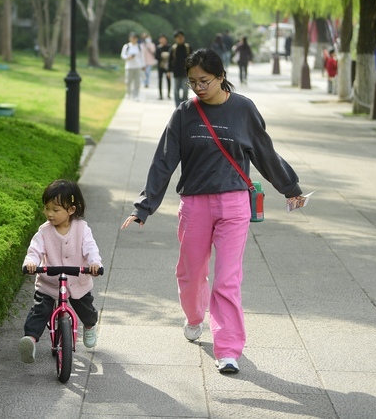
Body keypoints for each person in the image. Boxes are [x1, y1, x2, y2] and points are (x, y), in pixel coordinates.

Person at [120, 49, 305, 375]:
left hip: (234, 204)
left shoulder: (243, 109)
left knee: (227, 279)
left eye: (204, 80)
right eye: (192, 81)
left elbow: (264, 152)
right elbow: (164, 161)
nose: (198, 87)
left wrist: (290, 188)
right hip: (195, 205)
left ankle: (229, 349)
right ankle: (194, 317)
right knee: (190, 274)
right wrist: (144, 206)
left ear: (221, 76)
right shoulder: (184, 113)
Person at [19, 179, 103, 363]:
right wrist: (31, 263)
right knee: (40, 310)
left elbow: (91, 248)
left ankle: (89, 326)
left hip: (77, 281)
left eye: (55, 210)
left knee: (86, 309)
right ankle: (30, 340)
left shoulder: (82, 229)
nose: (49, 214)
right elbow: (35, 250)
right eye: (46, 208)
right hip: (49, 283)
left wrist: (95, 263)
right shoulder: (44, 231)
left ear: (71, 210)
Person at [168, 30, 192, 107]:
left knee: (185, 89)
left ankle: (184, 105)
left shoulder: (188, 47)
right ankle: (177, 106)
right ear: (175, 39)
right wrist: (168, 71)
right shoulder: (173, 48)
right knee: (176, 91)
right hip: (176, 72)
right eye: (178, 37)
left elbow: (193, 59)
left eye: (182, 37)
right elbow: (170, 60)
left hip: (186, 73)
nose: (180, 39)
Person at [121, 32, 145, 100]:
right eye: (132, 38)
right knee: (128, 81)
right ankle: (128, 94)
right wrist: (128, 57)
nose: (134, 39)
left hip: (137, 66)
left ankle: (136, 95)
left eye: (135, 38)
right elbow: (123, 55)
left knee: (137, 82)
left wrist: (143, 66)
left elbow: (142, 57)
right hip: (129, 66)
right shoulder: (127, 46)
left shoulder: (139, 46)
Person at [156, 34, 171, 100]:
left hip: (168, 66)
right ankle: (160, 95)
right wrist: (161, 56)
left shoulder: (169, 47)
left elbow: (171, 57)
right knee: (160, 80)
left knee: (168, 80)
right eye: (161, 39)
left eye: (164, 39)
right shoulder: (158, 48)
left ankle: (168, 94)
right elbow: (156, 57)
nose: (162, 40)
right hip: (160, 66)